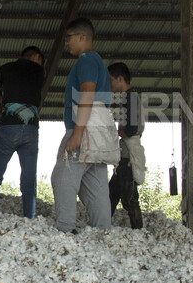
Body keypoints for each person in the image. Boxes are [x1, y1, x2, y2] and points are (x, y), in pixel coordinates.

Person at [52, 18, 113, 234]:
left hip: (84, 130)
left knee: (62, 177)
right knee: (95, 185)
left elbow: (87, 93)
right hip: (99, 135)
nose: (66, 43)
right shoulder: (99, 63)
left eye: (68, 38)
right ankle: (103, 231)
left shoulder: (86, 60)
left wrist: (77, 133)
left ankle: (65, 229)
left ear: (81, 37)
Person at [0, 45, 45, 218]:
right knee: (28, 178)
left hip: (9, 127)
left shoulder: (6, 69)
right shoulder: (40, 73)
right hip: (31, 128)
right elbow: (28, 98)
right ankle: (30, 218)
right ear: (35, 57)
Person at [107, 62, 144, 229]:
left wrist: (114, 133)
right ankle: (102, 224)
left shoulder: (130, 97)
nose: (109, 85)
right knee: (112, 193)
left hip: (128, 155)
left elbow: (131, 129)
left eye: (111, 80)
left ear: (120, 79)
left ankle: (138, 229)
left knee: (129, 198)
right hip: (125, 155)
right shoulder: (128, 98)